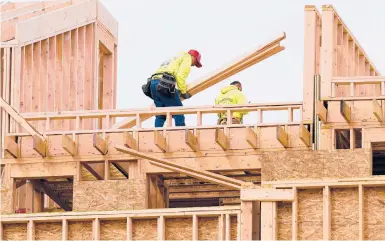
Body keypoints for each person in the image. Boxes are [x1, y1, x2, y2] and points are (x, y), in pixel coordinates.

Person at [149, 50, 202, 127]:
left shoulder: (174, 58)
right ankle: (181, 134)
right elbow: (180, 76)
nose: (193, 65)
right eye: (195, 62)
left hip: (153, 83)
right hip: (164, 82)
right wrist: (183, 92)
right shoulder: (187, 58)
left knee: (161, 114)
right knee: (178, 111)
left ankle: (157, 134)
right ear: (193, 57)